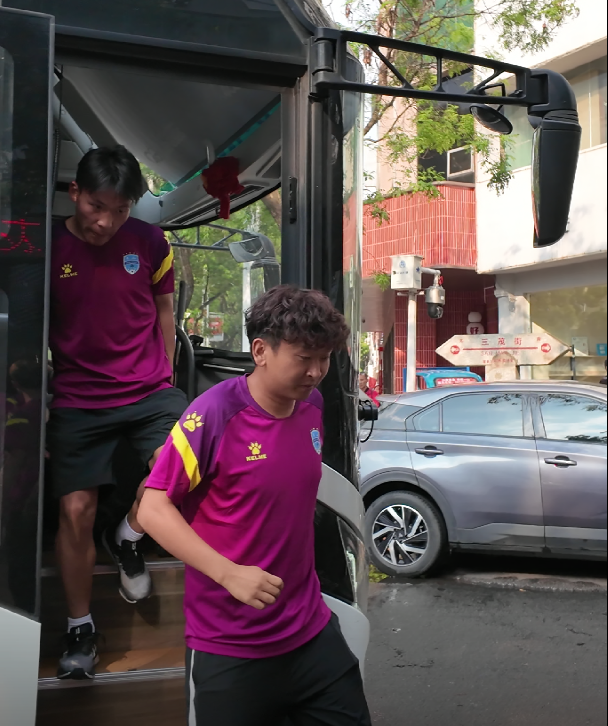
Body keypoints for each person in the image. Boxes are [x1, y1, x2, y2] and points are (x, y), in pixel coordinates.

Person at [138, 285, 372, 726]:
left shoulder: (311, 406)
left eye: (324, 359)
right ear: (261, 351)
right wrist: (228, 573)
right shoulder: (213, 414)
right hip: (231, 646)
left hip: (310, 633)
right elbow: (153, 508)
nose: (316, 372)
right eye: (304, 358)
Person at [48, 146, 187, 679]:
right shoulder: (48, 247)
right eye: (96, 207)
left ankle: (128, 534)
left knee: (181, 465)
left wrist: (166, 379)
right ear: (75, 193)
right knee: (75, 510)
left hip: (147, 390)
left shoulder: (151, 242)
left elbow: (164, 312)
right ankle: (80, 627)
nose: (107, 221)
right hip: (78, 398)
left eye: (121, 210)